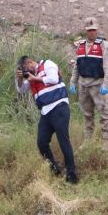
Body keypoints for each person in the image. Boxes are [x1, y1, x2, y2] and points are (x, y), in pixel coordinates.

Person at [17, 54, 78, 184]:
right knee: (41, 142)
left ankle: (72, 175)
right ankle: (55, 168)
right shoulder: (31, 77)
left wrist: (35, 78)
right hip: (45, 112)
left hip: (59, 106)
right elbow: (21, 90)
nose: (25, 71)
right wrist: (20, 79)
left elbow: (54, 79)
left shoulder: (47, 64)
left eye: (25, 68)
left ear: (30, 62)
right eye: (23, 70)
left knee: (63, 141)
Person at [67, 17, 108, 148]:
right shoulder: (81, 45)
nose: (92, 32)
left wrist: (106, 85)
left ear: (97, 30)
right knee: (87, 115)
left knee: (104, 114)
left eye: (94, 30)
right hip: (83, 85)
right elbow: (77, 66)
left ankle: (106, 142)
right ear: (85, 31)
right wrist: (73, 82)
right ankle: (88, 141)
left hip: (98, 84)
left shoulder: (104, 45)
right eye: (89, 30)